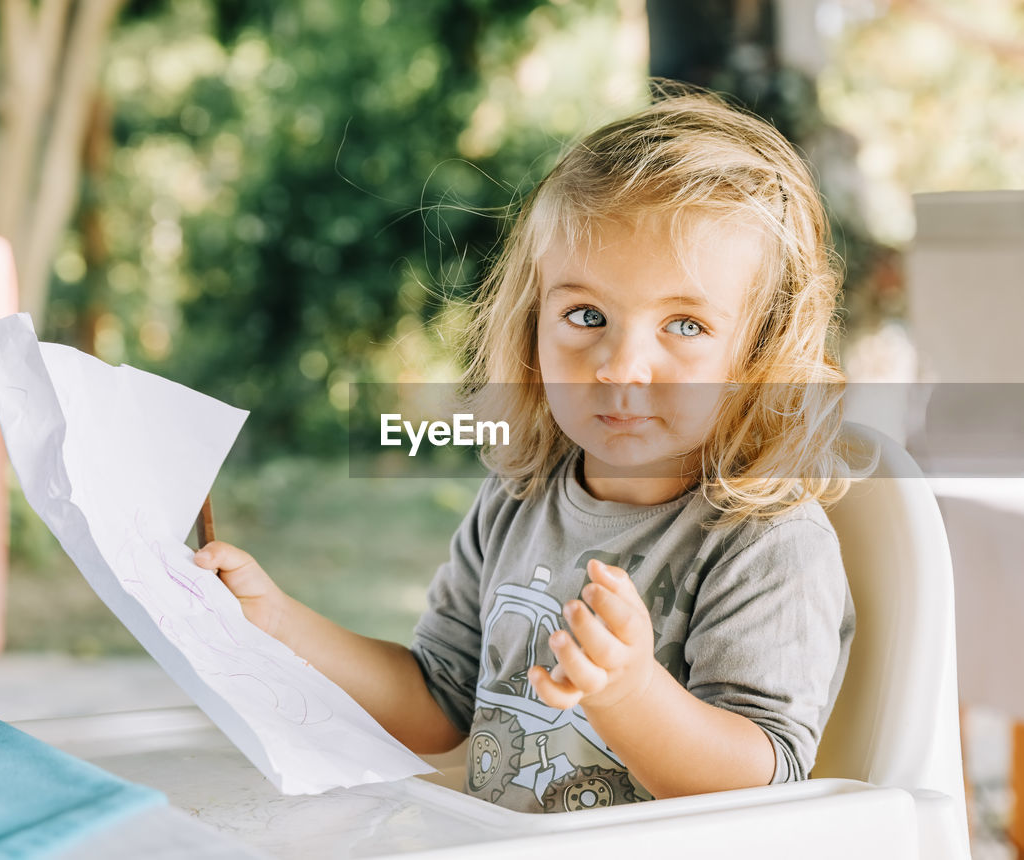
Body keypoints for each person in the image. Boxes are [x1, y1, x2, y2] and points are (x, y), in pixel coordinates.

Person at [195, 87, 866, 814]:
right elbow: (437, 703)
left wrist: (631, 693)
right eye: (586, 315)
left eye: (685, 326)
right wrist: (279, 622)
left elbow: (763, 783)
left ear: (762, 356)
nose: (619, 364)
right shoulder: (518, 498)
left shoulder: (769, 545)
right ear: (531, 328)